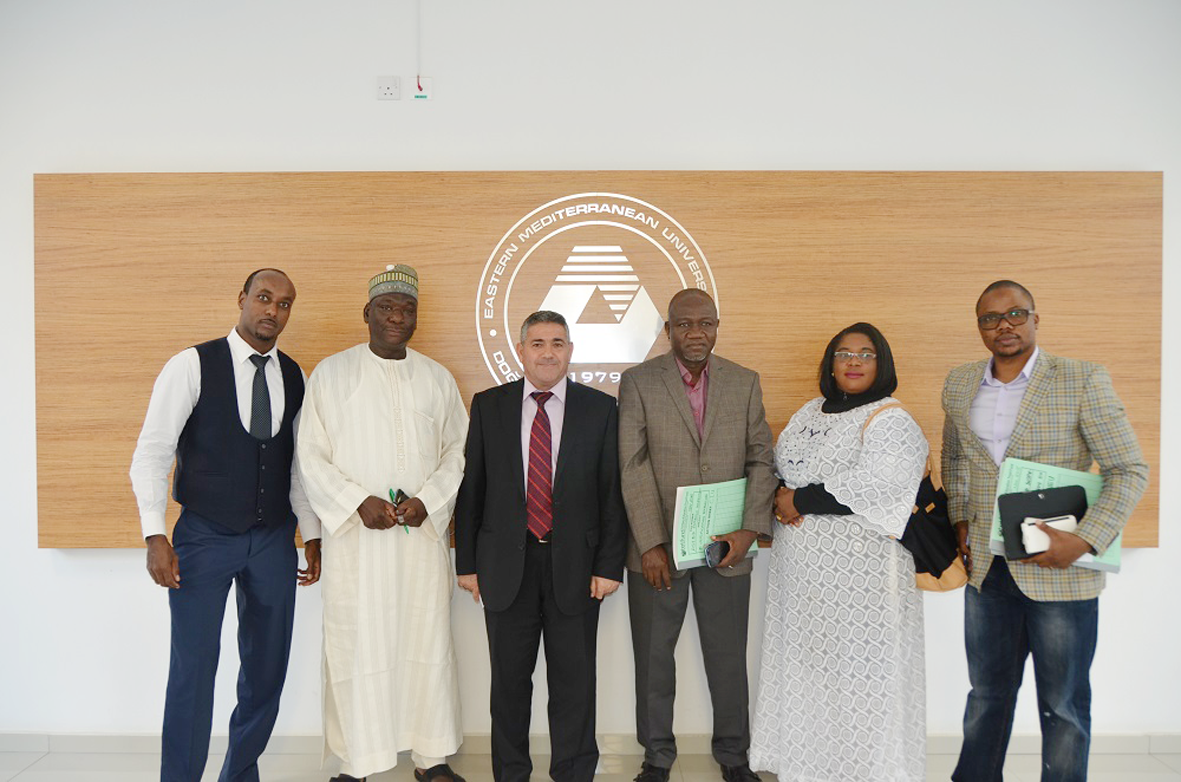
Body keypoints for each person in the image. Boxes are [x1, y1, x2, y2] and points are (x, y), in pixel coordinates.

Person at [942, 280, 1148, 782]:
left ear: (1036, 318)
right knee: (986, 696)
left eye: (1016, 313)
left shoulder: (1082, 378)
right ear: (979, 327)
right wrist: (960, 517)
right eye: (991, 318)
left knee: (1063, 704)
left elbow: (1128, 469)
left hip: (1061, 569)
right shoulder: (961, 382)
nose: (1004, 325)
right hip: (987, 571)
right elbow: (956, 458)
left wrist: (1085, 540)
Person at [130, 268, 322, 782]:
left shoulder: (295, 376)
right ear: (242, 299)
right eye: (264, 298)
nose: (272, 310)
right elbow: (152, 453)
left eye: (284, 304)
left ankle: (239, 774)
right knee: (193, 670)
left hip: (274, 539)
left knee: (267, 669)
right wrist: (155, 535)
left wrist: (311, 533)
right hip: (204, 536)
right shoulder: (191, 365)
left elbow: (298, 466)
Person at [295, 265, 469, 782]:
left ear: (416, 318)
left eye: (406, 309)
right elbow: (310, 455)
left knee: (427, 643)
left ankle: (431, 758)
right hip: (357, 546)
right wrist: (355, 502)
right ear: (366, 313)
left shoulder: (437, 378)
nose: (397, 317)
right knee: (358, 647)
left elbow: (458, 453)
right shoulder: (331, 374)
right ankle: (357, 762)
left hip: (419, 543)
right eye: (386, 307)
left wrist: (429, 501)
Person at [749, 322, 928, 781]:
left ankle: (864, 771)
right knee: (810, 671)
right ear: (830, 363)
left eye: (866, 354)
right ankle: (810, 766)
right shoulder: (810, 411)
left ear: (882, 363)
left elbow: (882, 482)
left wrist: (800, 500)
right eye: (844, 353)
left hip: (862, 581)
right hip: (803, 578)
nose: (853, 361)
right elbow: (783, 465)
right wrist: (779, 494)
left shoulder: (890, 418)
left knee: (859, 676)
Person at [454, 310, 627, 782]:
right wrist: (466, 563)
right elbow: (472, 489)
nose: (547, 353)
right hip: (505, 566)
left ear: (570, 350)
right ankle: (511, 774)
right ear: (521, 351)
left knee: (575, 685)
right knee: (509, 686)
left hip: (578, 567)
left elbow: (611, 491)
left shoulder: (599, 408)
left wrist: (609, 565)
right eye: (537, 343)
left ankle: (573, 772)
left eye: (557, 343)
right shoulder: (489, 406)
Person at [617, 288, 777, 782]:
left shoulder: (744, 382)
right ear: (668, 330)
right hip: (659, 550)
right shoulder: (638, 382)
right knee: (653, 662)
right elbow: (632, 465)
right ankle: (656, 758)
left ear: (716, 327)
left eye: (705, 323)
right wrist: (650, 543)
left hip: (727, 548)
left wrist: (749, 531)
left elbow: (761, 459)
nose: (695, 333)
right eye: (684, 324)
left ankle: (734, 756)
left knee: (728, 659)